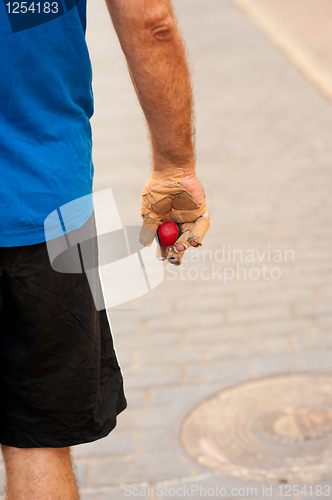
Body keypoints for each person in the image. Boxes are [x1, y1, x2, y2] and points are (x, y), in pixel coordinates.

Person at [0, 0, 210, 498]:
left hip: (43, 204)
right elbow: (150, 20)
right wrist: (175, 168)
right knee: (38, 441)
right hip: (44, 204)